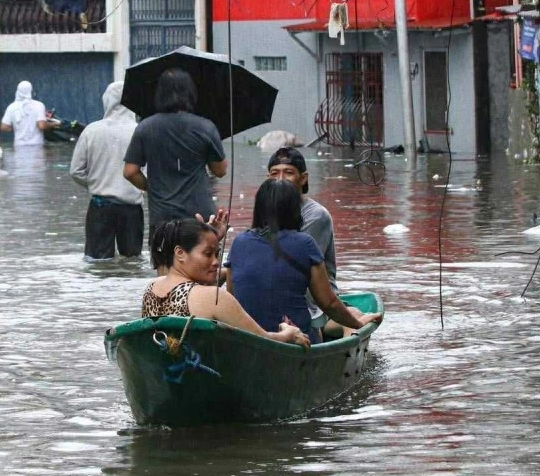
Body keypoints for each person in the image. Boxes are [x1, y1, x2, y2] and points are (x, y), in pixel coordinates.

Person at [224, 179, 381, 344]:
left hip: (249, 337)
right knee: (321, 328)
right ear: (295, 209)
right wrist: (358, 324)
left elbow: (231, 297)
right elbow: (329, 303)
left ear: (259, 209)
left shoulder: (239, 242)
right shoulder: (305, 243)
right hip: (298, 339)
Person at [142, 218, 310, 347]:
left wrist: (208, 238)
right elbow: (264, 341)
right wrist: (289, 334)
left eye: (217, 254)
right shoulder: (215, 297)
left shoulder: (152, 287)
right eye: (208, 254)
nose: (216, 262)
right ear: (180, 253)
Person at [123, 68, 227, 244]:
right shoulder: (205, 126)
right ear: (191, 93)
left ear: (160, 94)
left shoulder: (145, 127)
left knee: (165, 267)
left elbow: (130, 172)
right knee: (200, 267)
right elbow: (220, 171)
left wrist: (153, 187)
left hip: (163, 216)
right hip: (199, 215)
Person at [266, 147, 339, 335]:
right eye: (275, 173)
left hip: (312, 300)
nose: (280, 179)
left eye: (288, 173)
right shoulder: (267, 214)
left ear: (303, 178)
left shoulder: (316, 216)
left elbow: (292, 264)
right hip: (276, 294)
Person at [70, 81, 144, 261]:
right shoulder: (140, 131)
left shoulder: (91, 131)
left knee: (98, 263)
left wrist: (96, 182)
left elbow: (76, 171)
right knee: (132, 261)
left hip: (100, 207)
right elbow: (148, 171)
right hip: (132, 209)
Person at [0, 80, 57, 147]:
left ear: (18, 91)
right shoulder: (39, 105)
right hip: (37, 145)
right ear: (31, 91)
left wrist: (18, 128)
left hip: (19, 145)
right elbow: (42, 126)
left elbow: (4, 127)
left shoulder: (11, 107)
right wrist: (54, 124)